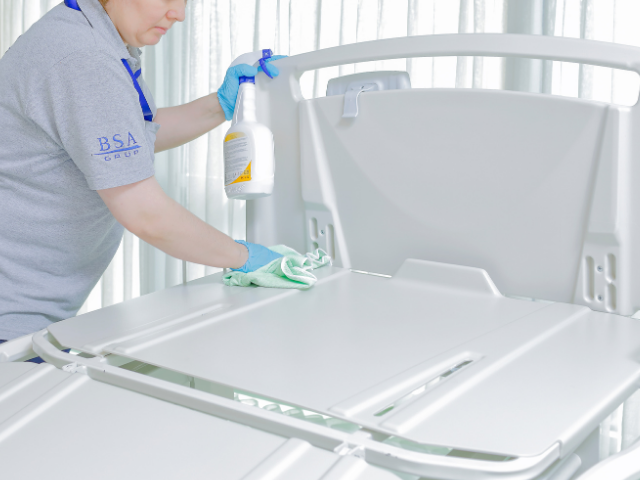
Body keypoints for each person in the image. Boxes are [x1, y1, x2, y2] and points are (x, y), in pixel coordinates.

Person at [0, 0, 284, 342]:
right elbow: (146, 214)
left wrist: (220, 105)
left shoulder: (91, 35)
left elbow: (128, 138)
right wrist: (245, 257)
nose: (179, 14)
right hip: (12, 315)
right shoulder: (84, 58)